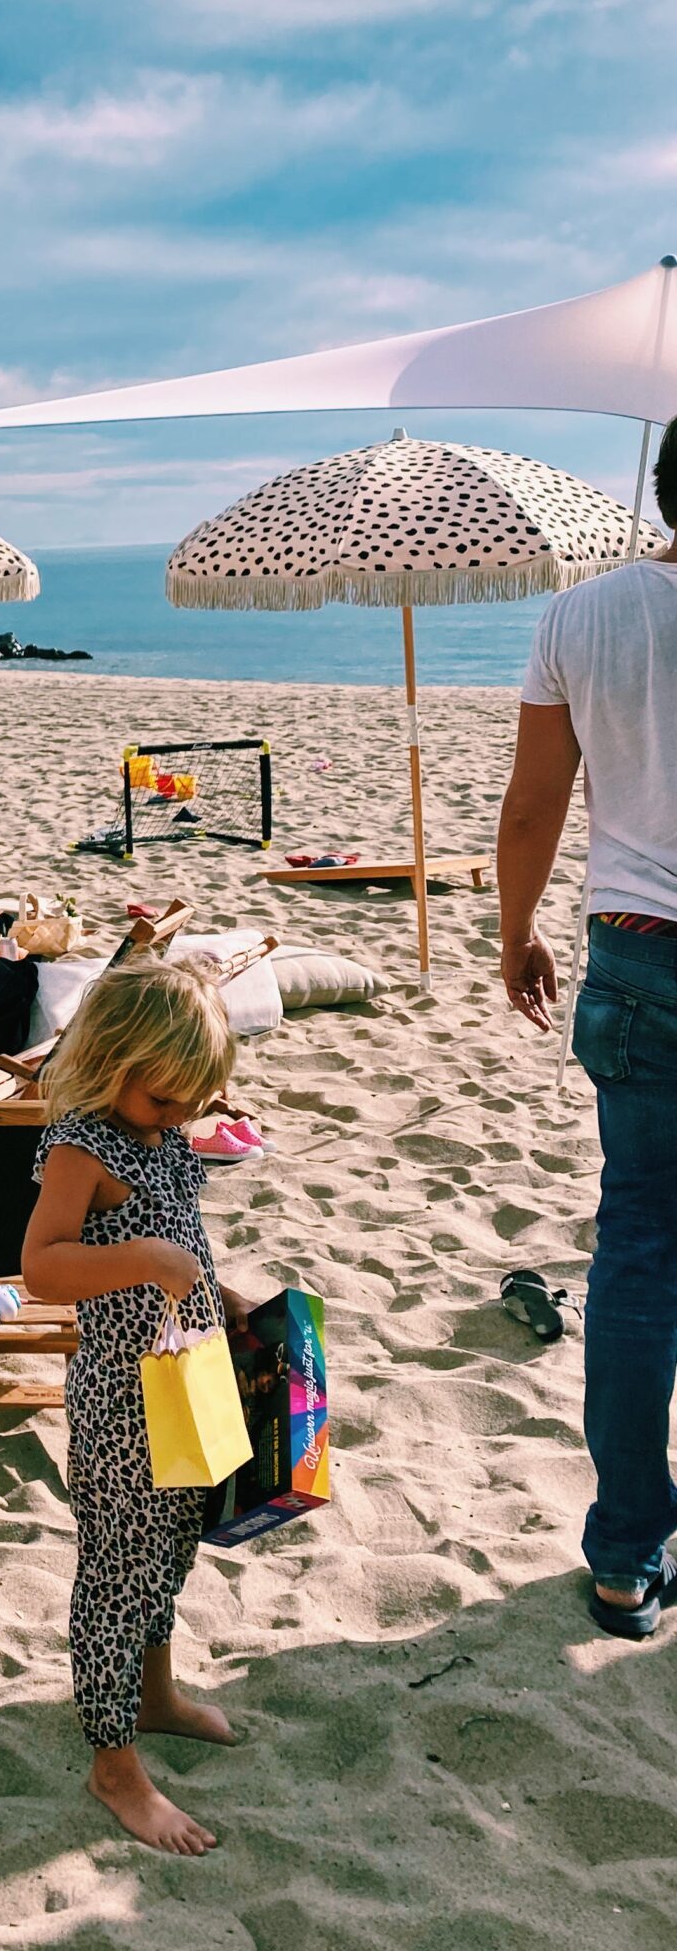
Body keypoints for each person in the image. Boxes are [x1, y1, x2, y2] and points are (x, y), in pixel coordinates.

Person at [497, 417, 677, 1641]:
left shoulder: (584, 613)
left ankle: (622, 1556)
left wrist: (517, 932)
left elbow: (534, 805)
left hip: (635, 953)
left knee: (637, 1252)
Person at [21, 961, 248, 1857]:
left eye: (193, 1103)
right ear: (113, 1062)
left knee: (171, 1549)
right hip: (121, 1398)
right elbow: (42, 1267)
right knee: (117, 1574)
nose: (180, 1116)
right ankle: (112, 1762)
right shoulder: (82, 1146)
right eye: (164, 1100)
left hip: (183, 1378)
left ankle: (152, 1694)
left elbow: (185, 1241)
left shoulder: (164, 1138)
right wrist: (147, 1259)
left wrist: (221, 1300)